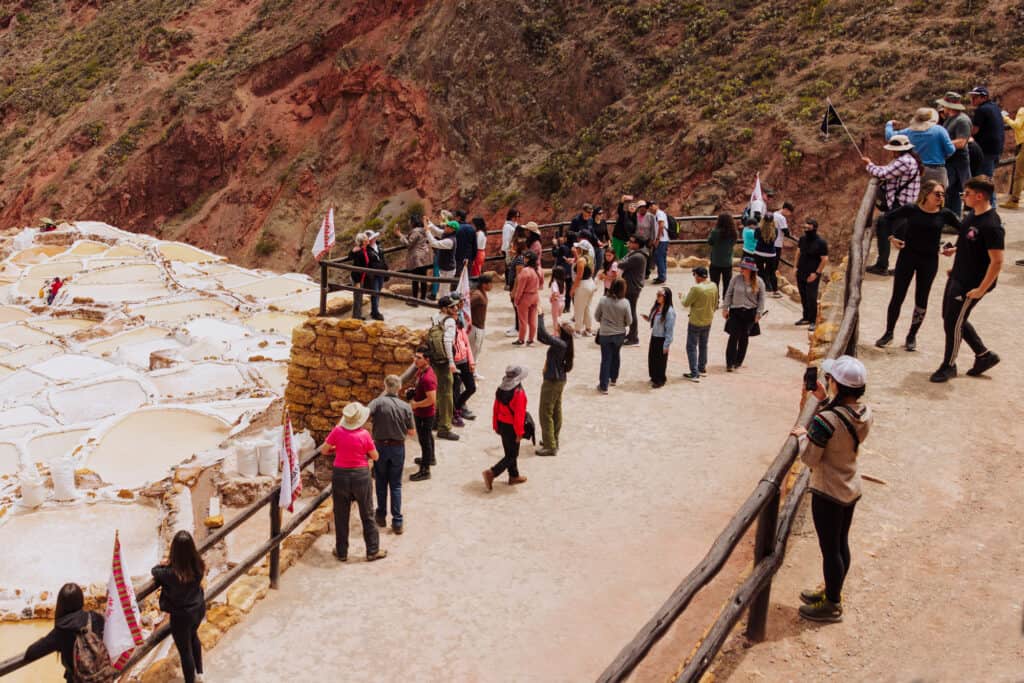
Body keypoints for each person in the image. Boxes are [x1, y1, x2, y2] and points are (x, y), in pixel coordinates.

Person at [791, 355, 872, 623]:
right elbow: (842, 427)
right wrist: (826, 400)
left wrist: (804, 435)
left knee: (830, 549)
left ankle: (833, 604)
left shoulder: (825, 420)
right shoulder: (864, 413)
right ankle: (832, 591)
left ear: (837, 385)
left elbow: (810, 457)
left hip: (829, 490)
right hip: (850, 485)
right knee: (841, 543)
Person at [930, 176, 1004, 383]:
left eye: (967, 194)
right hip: (958, 276)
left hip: (972, 284)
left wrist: (981, 289)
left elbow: (997, 261)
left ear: (979, 196)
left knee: (954, 322)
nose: (964, 197)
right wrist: (955, 254)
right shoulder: (972, 215)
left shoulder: (992, 225)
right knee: (950, 318)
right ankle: (984, 355)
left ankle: (949, 365)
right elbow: (968, 242)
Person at [874, 180, 960, 351]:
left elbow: (966, 231)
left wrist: (955, 248)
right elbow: (885, 220)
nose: (940, 197)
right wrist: (891, 238)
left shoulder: (945, 214)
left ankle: (912, 335)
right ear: (926, 194)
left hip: (929, 261)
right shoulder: (911, 209)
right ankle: (889, 332)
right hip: (907, 257)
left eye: (943, 194)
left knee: (921, 299)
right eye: (937, 193)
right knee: (898, 296)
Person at [320, 401, 387, 561]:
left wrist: (338, 449)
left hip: (340, 475)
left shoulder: (337, 431)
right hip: (360, 475)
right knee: (367, 513)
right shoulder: (364, 435)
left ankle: (342, 551)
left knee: (341, 514)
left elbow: (324, 450)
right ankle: (372, 550)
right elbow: (375, 456)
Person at [152, 531, 207, 683]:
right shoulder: (198, 565)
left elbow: (155, 571)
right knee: (194, 636)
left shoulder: (171, 573)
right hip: (198, 609)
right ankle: (200, 673)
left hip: (181, 617)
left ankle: (190, 681)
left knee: (185, 651)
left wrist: (164, 563)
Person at [23, 582, 106, 682]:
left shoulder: (62, 629)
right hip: (101, 677)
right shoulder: (96, 617)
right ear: (81, 600)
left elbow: (31, 652)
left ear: (61, 604)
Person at [863, 134, 921, 275]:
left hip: (900, 205)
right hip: (907, 204)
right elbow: (888, 170)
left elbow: (884, 173)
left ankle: (882, 265)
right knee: (902, 235)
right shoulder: (908, 159)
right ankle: (904, 267)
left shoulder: (904, 161)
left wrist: (869, 165)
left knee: (884, 228)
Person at [367, 375, 415, 533]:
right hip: (397, 448)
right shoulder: (405, 407)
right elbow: (412, 432)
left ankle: (380, 516)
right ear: (399, 388)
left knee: (380, 482)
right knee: (396, 485)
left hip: (380, 447)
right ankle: (397, 522)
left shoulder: (377, 403)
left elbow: (365, 415)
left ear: (385, 386)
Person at [483, 366, 529, 490]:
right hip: (513, 427)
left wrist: (495, 425)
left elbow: (495, 408)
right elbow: (519, 415)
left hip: (502, 424)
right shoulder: (518, 393)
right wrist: (520, 433)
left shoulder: (501, 389)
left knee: (509, 452)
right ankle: (492, 473)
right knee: (512, 455)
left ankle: (514, 476)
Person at [885, 107, 956, 187]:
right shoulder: (939, 130)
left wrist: (889, 124)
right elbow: (951, 150)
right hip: (937, 170)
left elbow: (889, 136)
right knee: (938, 196)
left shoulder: (909, 131)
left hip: (916, 170)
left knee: (918, 197)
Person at [535, 313, 574, 456]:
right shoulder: (564, 343)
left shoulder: (560, 344)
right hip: (559, 380)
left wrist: (539, 316)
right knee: (556, 411)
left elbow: (542, 335)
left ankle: (550, 445)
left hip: (552, 381)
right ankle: (552, 439)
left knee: (545, 412)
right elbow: (542, 337)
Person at [721, 258, 765, 371]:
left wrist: (759, 313)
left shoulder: (759, 282)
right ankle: (729, 363)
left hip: (750, 312)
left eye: (744, 268)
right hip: (736, 311)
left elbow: (761, 300)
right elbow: (728, 293)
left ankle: (738, 362)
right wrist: (725, 308)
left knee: (744, 337)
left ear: (750, 270)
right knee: (733, 336)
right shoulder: (735, 279)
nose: (741, 270)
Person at [936, 92, 973, 216]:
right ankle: (952, 217)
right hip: (951, 159)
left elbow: (962, 142)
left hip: (959, 160)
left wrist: (943, 144)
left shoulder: (962, 121)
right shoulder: (951, 119)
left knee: (962, 188)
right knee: (951, 190)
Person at [594, 278, 632, 394]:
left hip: (605, 334)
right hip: (619, 334)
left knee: (606, 359)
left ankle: (603, 386)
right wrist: (622, 324)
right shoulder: (625, 302)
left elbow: (596, 316)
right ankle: (614, 378)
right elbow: (629, 321)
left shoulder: (603, 300)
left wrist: (604, 322)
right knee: (616, 356)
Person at [430, 295, 460, 440]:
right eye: (452, 306)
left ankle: (435, 420)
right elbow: (448, 342)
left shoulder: (435, 317)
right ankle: (445, 427)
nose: (456, 308)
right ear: (444, 308)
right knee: (447, 394)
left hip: (434, 359)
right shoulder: (450, 322)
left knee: (436, 391)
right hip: (444, 361)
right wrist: (451, 362)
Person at [968, 86, 1005, 203]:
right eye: (972, 97)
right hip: (996, 149)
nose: (972, 100)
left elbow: (974, 130)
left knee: (984, 182)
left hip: (985, 150)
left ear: (983, 97)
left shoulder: (981, 110)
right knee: (987, 179)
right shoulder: (994, 107)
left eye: (975, 97)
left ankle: (990, 210)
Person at [681, 266, 718, 382]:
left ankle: (694, 373)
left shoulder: (696, 288)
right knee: (703, 345)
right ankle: (702, 368)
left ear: (697, 275)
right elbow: (716, 303)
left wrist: (682, 296)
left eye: (694, 275)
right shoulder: (713, 285)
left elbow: (686, 303)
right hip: (708, 319)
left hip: (695, 321)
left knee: (691, 347)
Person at [794, 218, 829, 331]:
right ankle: (806, 317)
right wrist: (795, 267)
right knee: (803, 295)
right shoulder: (802, 239)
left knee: (812, 297)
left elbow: (824, 259)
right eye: (805, 227)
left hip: (812, 273)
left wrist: (816, 273)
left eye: (808, 228)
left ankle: (813, 320)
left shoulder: (821, 242)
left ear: (814, 228)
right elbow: (798, 252)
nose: (806, 229)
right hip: (801, 271)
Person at [408, 347, 437, 481]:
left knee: (424, 440)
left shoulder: (428, 378)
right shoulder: (421, 371)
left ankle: (425, 471)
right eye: (415, 356)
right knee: (427, 436)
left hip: (425, 414)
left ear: (427, 359)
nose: (415, 360)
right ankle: (430, 458)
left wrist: (416, 404)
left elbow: (431, 400)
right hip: (422, 412)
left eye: (419, 358)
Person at [617, 235, 648, 346]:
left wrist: (622, 261)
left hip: (632, 288)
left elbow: (621, 264)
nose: (629, 243)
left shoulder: (637, 256)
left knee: (631, 312)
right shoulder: (634, 253)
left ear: (637, 244)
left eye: (631, 241)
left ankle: (634, 337)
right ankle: (631, 335)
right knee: (629, 311)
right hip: (631, 286)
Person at [642, 287, 675, 388]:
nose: (657, 297)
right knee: (652, 358)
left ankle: (660, 380)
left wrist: (666, 345)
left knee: (660, 360)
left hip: (662, 339)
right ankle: (654, 377)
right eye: (657, 294)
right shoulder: (657, 307)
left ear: (666, 297)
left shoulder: (669, 312)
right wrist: (648, 318)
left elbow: (669, 330)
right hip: (654, 336)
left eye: (660, 295)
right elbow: (653, 319)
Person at [400, 214, 434, 304]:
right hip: (424, 257)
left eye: (409, 221)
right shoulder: (423, 230)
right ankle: (423, 299)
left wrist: (400, 235)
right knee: (423, 279)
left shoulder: (415, 232)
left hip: (416, 258)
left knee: (415, 279)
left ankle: (415, 300)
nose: (408, 223)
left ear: (412, 222)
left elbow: (408, 244)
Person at [512, 250, 542, 345]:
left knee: (523, 320)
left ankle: (521, 339)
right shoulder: (538, 270)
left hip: (525, 297)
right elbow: (541, 284)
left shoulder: (525, 271)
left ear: (528, 259)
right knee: (533, 320)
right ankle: (531, 339)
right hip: (535, 295)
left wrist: (516, 300)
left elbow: (520, 289)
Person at [451, 317, 476, 425]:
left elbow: (467, 345)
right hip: (454, 364)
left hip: (464, 361)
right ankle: (456, 412)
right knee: (455, 389)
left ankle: (458, 406)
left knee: (471, 387)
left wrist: (471, 362)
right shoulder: (447, 332)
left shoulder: (461, 329)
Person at [571, 241, 597, 336]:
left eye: (578, 248)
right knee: (587, 307)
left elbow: (579, 276)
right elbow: (592, 271)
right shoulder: (590, 257)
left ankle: (577, 330)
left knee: (578, 308)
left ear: (582, 249)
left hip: (583, 285)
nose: (576, 249)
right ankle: (588, 329)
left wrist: (572, 289)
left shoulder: (581, 260)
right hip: (590, 282)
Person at [1001, 105, 1024, 210]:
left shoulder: (1022, 110)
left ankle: (1014, 201)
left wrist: (1005, 118)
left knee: (1019, 174)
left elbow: (1017, 125)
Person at [707, 212, 736, 295]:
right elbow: (733, 243)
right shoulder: (733, 233)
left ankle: (715, 301)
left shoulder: (715, 232)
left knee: (714, 284)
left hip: (715, 261)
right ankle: (725, 301)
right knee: (727, 284)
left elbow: (710, 242)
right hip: (727, 262)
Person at [426, 219, 458, 295]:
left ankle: (446, 305)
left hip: (448, 269)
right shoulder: (446, 234)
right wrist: (429, 221)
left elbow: (434, 243)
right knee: (443, 289)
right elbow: (436, 231)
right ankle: (446, 304)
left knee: (444, 290)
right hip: (445, 268)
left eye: (448, 226)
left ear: (452, 229)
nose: (445, 227)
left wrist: (427, 231)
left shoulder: (450, 241)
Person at [753, 213, 778, 295]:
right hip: (771, 254)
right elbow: (775, 239)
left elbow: (755, 237)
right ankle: (774, 290)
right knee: (771, 272)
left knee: (760, 271)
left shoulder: (758, 229)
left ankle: (760, 288)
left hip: (759, 252)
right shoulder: (775, 230)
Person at [469, 274, 491, 366]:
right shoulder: (477, 295)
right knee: (473, 352)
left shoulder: (481, 293)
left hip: (480, 327)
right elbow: (466, 306)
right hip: (475, 328)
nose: (491, 286)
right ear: (484, 284)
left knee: (477, 351)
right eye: (490, 283)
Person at [772, 202, 794, 286]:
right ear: (786, 210)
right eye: (789, 213)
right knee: (774, 265)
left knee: (769, 263)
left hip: (771, 242)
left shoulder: (774, 214)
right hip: (777, 243)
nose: (789, 215)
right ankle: (772, 285)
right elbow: (786, 232)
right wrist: (789, 233)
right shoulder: (781, 218)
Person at [634, 201, 657, 279]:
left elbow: (653, 229)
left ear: (646, 208)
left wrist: (652, 239)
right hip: (637, 239)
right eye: (640, 207)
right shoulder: (635, 216)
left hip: (647, 239)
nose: (642, 209)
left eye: (643, 207)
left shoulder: (650, 216)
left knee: (647, 256)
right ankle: (638, 272)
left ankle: (646, 273)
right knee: (637, 255)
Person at [649, 199, 669, 284]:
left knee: (659, 257)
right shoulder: (657, 214)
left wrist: (657, 239)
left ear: (656, 205)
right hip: (663, 239)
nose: (651, 207)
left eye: (652, 205)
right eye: (649, 206)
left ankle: (662, 277)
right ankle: (662, 275)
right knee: (661, 258)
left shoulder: (659, 213)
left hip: (661, 240)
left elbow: (661, 226)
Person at [453, 209, 478, 277]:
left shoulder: (456, 229)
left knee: (457, 279)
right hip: (468, 258)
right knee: (466, 279)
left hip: (457, 258)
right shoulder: (471, 228)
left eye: (455, 217)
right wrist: (473, 258)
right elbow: (474, 246)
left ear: (458, 218)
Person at [501, 208, 521, 290]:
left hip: (515, 248)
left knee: (514, 266)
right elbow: (506, 240)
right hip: (510, 249)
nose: (516, 218)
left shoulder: (514, 225)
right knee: (509, 266)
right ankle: (509, 284)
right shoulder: (507, 227)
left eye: (518, 216)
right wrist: (507, 251)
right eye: (515, 216)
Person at [549, 264, 567, 330]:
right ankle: (560, 331)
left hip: (556, 302)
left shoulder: (554, 283)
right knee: (559, 317)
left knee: (555, 319)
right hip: (562, 302)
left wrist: (551, 298)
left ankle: (556, 333)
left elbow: (555, 293)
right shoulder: (563, 282)